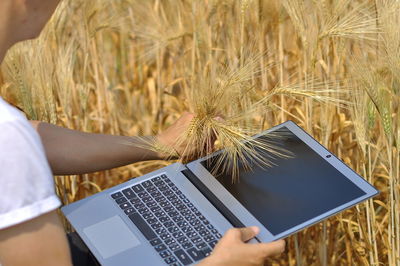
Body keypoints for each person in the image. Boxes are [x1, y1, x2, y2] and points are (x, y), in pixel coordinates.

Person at [0, 1, 285, 266]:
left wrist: (159, 144)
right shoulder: (9, 137)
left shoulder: (11, 135)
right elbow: (14, 144)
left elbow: (30, 138)